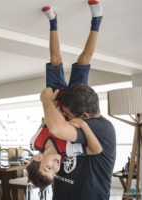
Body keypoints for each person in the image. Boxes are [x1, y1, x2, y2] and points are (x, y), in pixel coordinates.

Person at [34, 1, 116, 199]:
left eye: (48, 168)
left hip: (57, 100)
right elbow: (90, 147)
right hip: (74, 102)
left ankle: (53, 22)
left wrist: (48, 106)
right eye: (54, 171)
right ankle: (97, 20)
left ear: (39, 159)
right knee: (84, 59)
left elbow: (45, 124)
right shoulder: (67, 153)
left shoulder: (35, 144)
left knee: (55, 59)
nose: (55, 167)